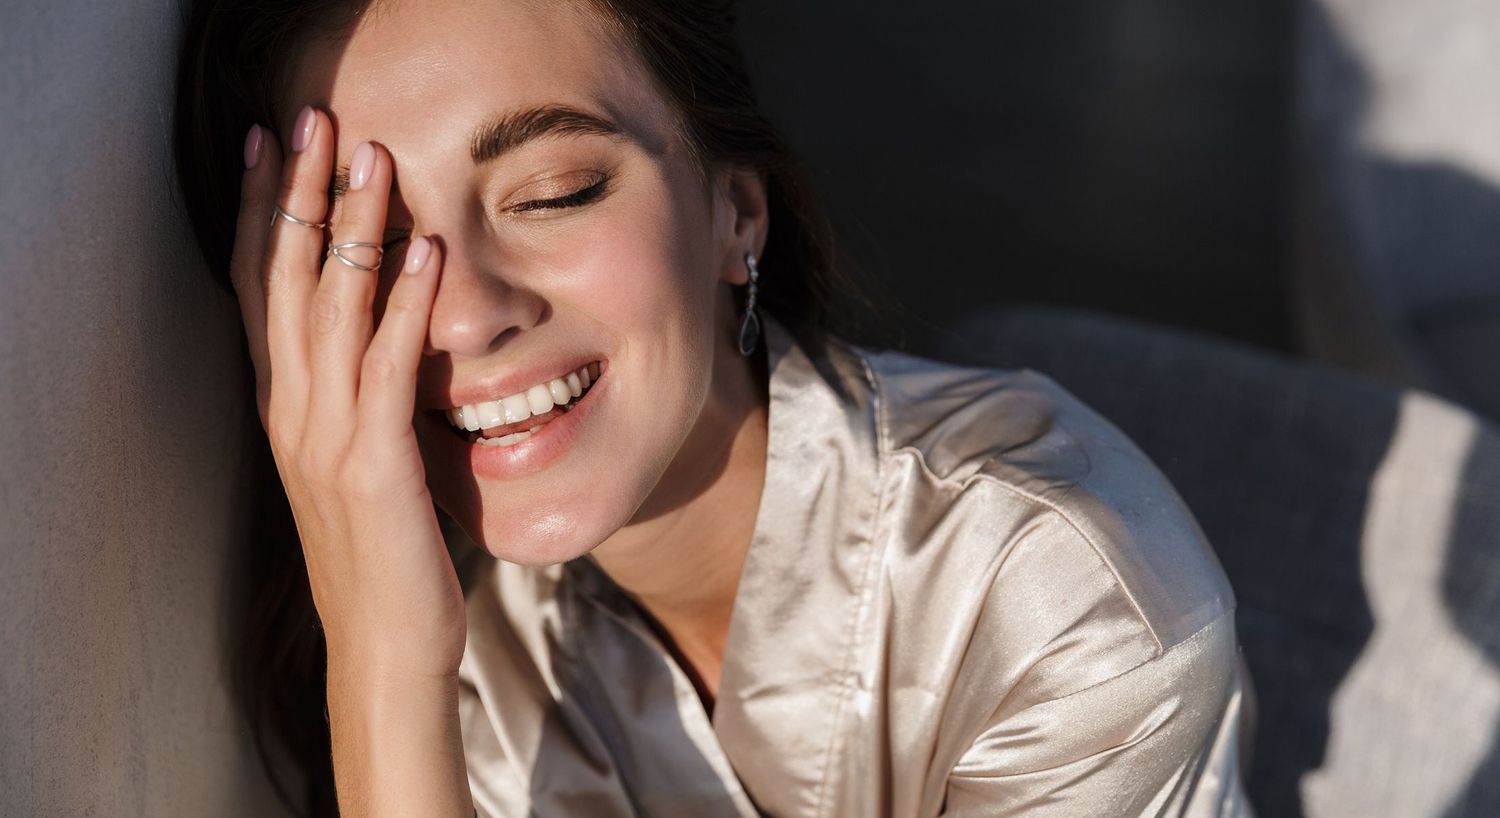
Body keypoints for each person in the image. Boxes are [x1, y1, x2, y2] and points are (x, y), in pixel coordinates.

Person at [173, 1, 1257, 815]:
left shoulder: (1061, 596)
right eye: (378, 248)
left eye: (553, 193)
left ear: (735, 213)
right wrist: (384, 659)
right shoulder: (444, 643)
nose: (461, 317)